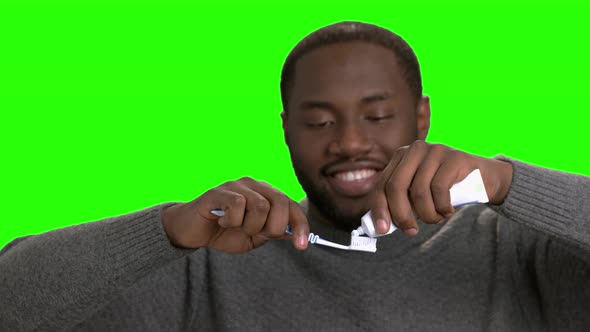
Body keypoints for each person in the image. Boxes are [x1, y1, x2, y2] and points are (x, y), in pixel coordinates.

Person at [1, 21, 589, 331]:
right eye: (318, 121)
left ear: (421, 117)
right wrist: (165, 231)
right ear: (285, 130)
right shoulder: (210, 264)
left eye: (378, 115)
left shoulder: (519, 250)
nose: (351, 141)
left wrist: (510, 182)